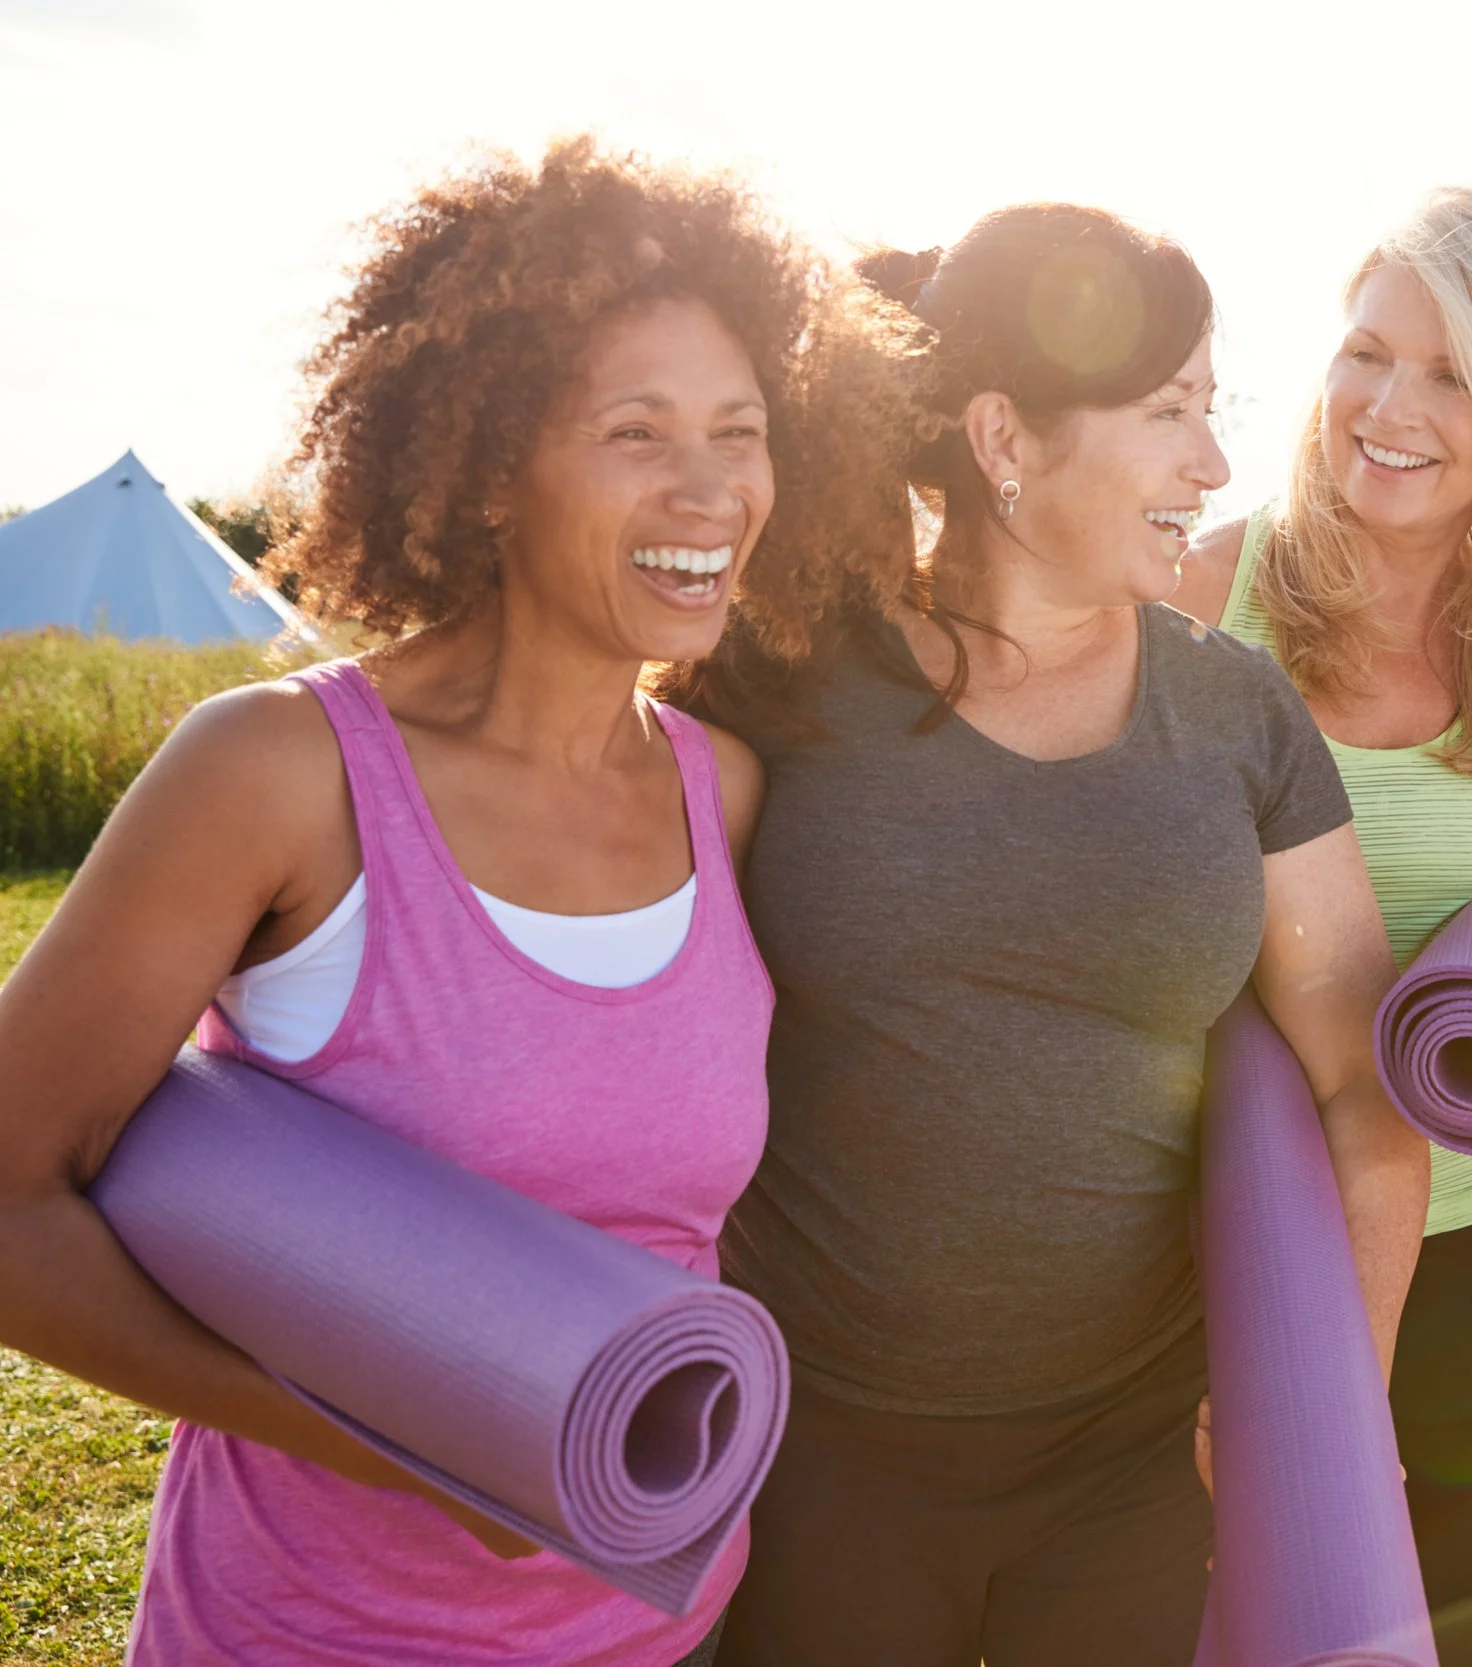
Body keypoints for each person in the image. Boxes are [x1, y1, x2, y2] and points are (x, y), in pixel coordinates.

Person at [0, 140, 915, 1666]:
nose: (710, 487)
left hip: (663, 1621)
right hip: (317, 1630)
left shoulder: (727, 792)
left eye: (740, 431)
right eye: (638, 430)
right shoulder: (277, 774)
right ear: (492, 466)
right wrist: (414, 1432)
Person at [708, 204, 1431, 1667]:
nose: (1215, 466)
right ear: (1003, 439)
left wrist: (1323, 1409)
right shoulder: (776, 681)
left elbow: (1364, 1090)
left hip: (1132, 1460)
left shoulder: (1233, 710)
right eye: (1170, 413)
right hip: (815, 1443)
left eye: (1213, 414)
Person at [1172, 187, 1472, 1667]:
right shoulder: (1209, 590)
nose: (1389, 406)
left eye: (1452, 374)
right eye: (1367, 352)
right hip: (1200, 1245)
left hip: (1456, 1238)